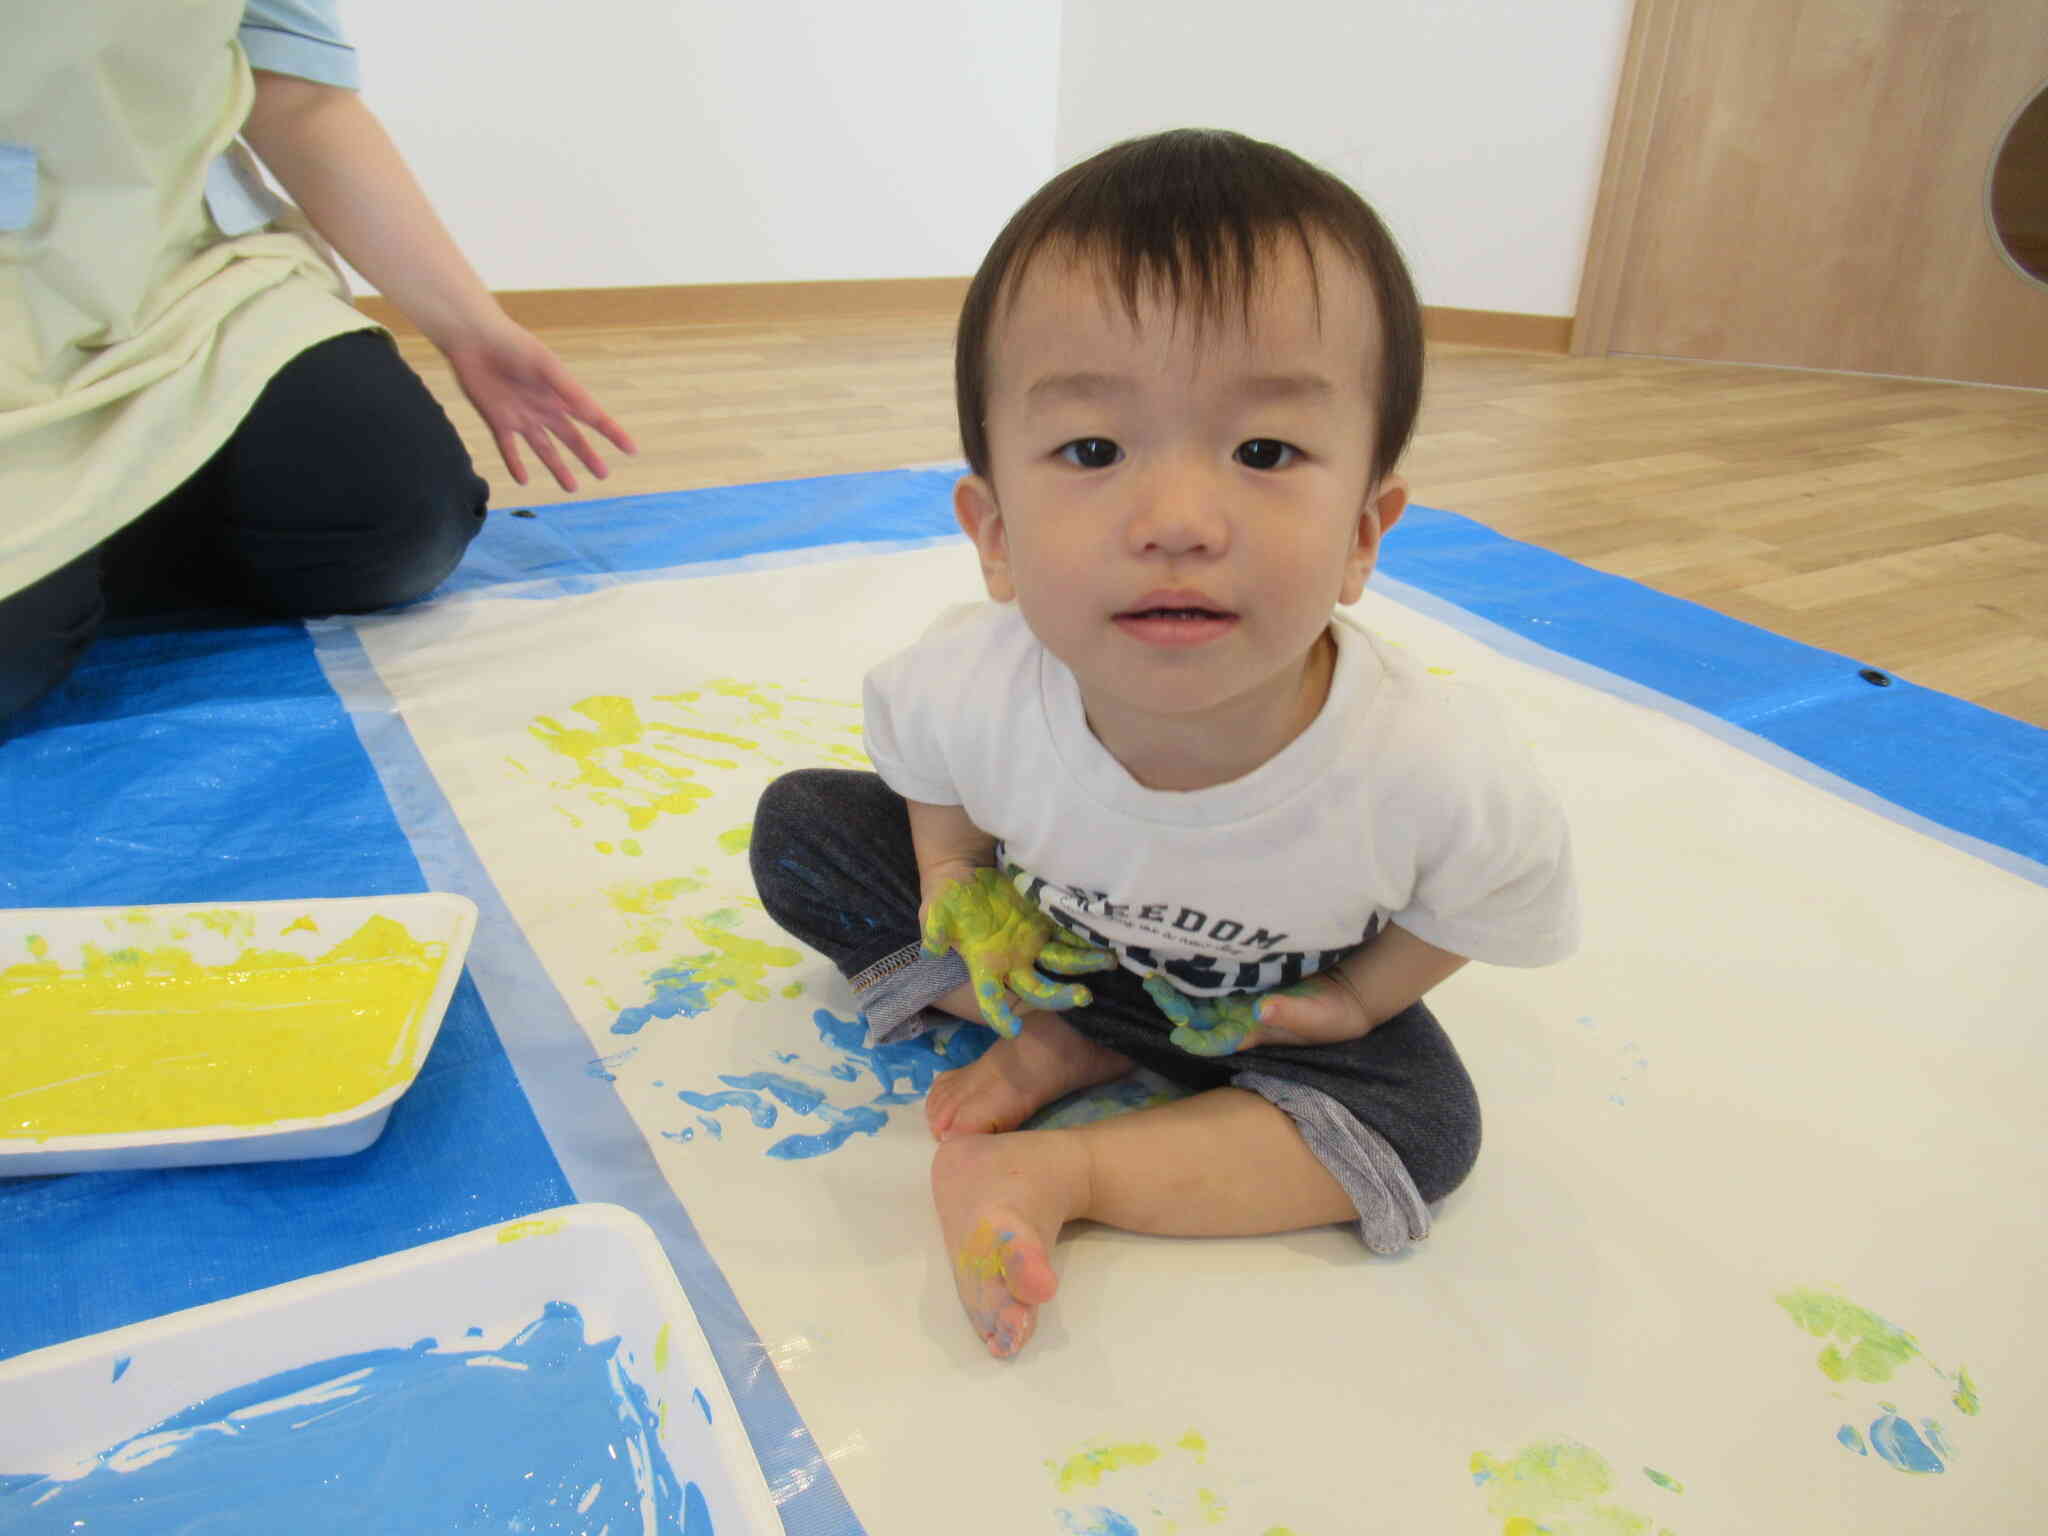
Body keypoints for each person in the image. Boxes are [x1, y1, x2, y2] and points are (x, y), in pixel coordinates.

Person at [750, 129, 1578, 1359]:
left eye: (1262, 453)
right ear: (990, 532)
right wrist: (953, 883)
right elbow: (923, 766)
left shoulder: (1430, 768)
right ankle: (1063, 1033)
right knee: (803, 828)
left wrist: (1354, 1002)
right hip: (1046, 954)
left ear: (1363, 531)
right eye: (1092, 451)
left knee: (1425, 1124)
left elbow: (1489, 901)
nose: (1178, 522)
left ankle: (1068, 1166)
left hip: (1256, 1010)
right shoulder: (963, 678)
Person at [0, 1, 634, 737]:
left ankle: (86, 551)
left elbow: (301, 94)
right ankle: (56, 584)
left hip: (188, 272)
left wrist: (472, 329)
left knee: (398, 529)